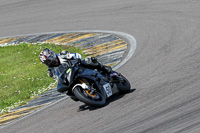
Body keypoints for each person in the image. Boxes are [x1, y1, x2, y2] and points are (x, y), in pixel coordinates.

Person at [39, 48, 112, 94]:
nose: (48, 63)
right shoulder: (50, 71)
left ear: (52, 55)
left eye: (48, 61)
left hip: (77, 67)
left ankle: (104, 68)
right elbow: (57, 79)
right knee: (68, 92)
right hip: (69, 77)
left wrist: (77, 59)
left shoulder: (62, 55)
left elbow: (77, 55)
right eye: (46, 62)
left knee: (88, 61)